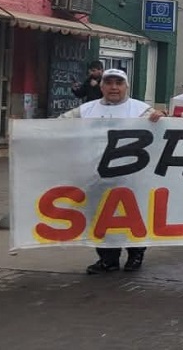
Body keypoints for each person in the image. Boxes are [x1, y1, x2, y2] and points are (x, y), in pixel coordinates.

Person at [60, 69, 165, 274]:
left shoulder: (140, 109)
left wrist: (161, 117)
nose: (114, 87)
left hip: (131, 177)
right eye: (109, 83)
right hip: (97, 176)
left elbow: (161, 129)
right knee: (101, 217)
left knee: (132, 217)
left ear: (126, 87)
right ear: (102, 87)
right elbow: (57, 126)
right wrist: (25, 131)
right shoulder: (86, 110)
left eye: (119, 83)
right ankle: (108, 259)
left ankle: (136, 255)